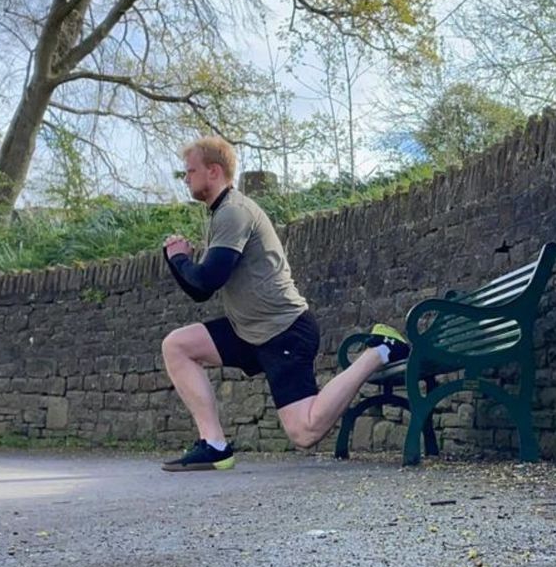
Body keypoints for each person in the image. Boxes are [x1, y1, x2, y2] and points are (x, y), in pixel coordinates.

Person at [159, 136, 408, 472]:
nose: (185, 178)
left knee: (304, 432)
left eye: (190, 171)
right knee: (178, 346)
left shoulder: (234, 212)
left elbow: (208, 279)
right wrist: (178, 262)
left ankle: (379, 351)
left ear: (213, 171)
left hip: (284, 331)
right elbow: (200, 292)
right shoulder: (220, 215)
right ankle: (214, 445)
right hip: (248, 331)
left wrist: (179, 260)